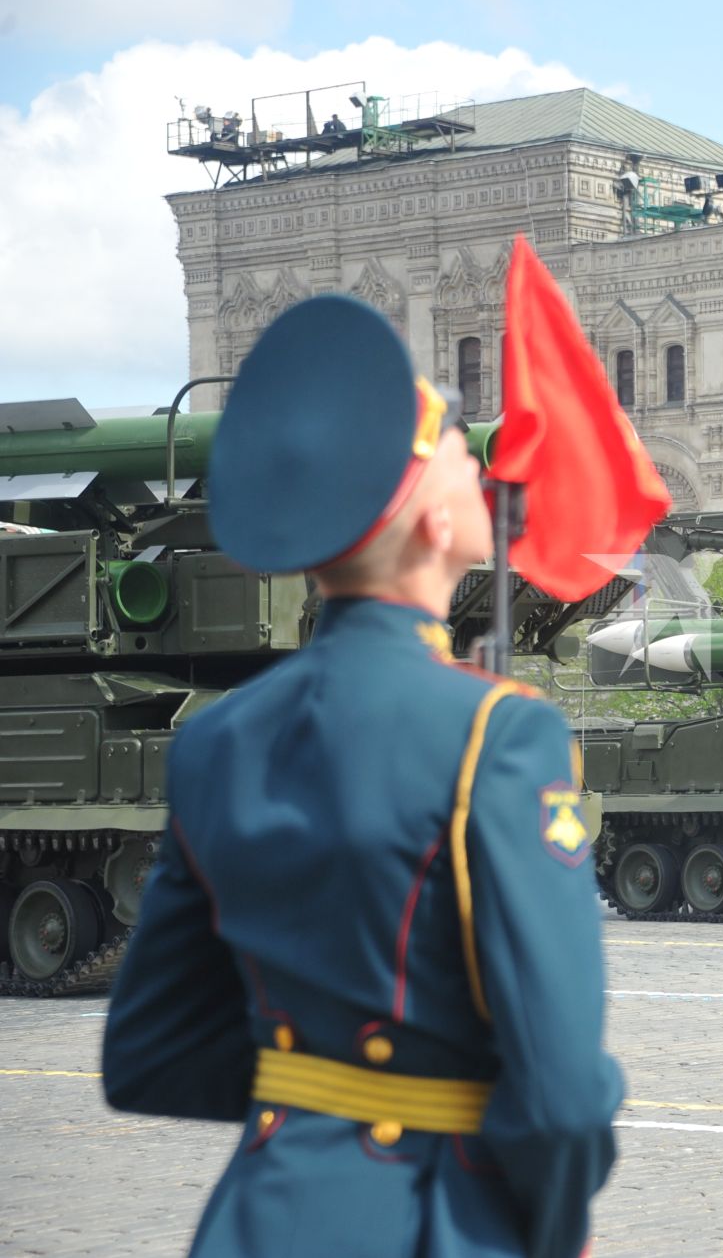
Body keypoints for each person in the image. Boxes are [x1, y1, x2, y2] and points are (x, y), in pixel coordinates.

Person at [100, 295, 624, 1258]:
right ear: (430, 514)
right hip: (430, 1221)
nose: (482, 464)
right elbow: (559, 1095)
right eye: (460, 447)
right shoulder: (500, 736)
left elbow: (148, 1054)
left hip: (256, 1221)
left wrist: (315, 1093)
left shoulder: (216, 743)